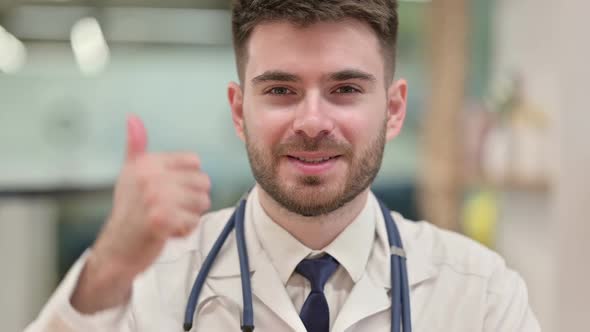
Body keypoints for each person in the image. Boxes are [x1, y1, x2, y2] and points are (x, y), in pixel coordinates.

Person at [25, 1, 541, 331]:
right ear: (238, 111)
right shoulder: (150, 288)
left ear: (393, 109)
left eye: (345, 89)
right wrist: (108, 269)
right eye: (280, 90)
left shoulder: (481, 294)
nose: (312, 121)